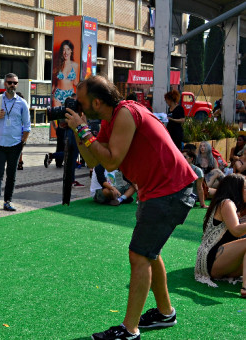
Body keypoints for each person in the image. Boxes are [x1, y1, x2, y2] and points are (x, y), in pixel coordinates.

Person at [65, 76, 197, 340]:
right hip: (159, 190)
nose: (76, 105)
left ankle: (130, 330)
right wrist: (78, 132)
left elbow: (112, 161)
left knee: (139, 255)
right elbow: (94, 158)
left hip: (170, 190)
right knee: (149, 252)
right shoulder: (108, 120)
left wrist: (82, 130)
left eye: (80, 101)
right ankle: (164, 312)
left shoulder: (125, 112)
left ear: (97, 101)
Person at [0, 73, 31, 213]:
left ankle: (8, 201)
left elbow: (27, 125)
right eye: (10, 82)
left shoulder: (22, 103)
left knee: (12, 175)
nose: (12, 85)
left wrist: (22, 142)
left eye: (15, 83)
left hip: (15, 145)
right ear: (5, 84)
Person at [195, 174, 246, 297]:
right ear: (236, 189)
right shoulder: (226, 203)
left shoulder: (240, 206)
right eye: (245, 188)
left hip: (225, 263)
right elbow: (236, 231)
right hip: (210, 261)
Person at [52, 40, 79, 106]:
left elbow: (75, 82)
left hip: (70, 95)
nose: (66, 52)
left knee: (69, 116)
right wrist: (51, 96)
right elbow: (54, 83)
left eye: (68, 49)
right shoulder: (58, 65)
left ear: (71, 51)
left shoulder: (75, 65)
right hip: (58, 95)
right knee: (57, 116)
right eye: (64, 50)